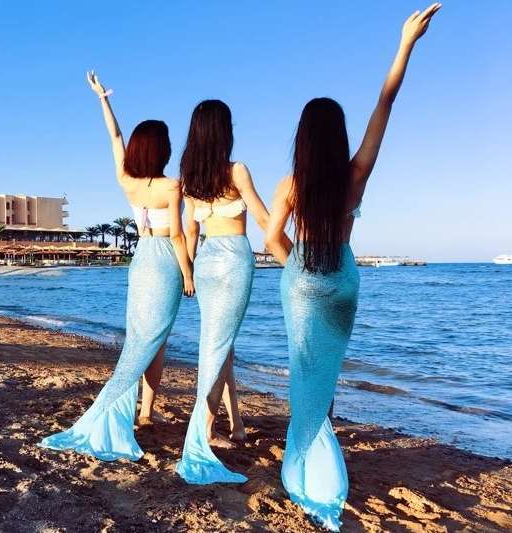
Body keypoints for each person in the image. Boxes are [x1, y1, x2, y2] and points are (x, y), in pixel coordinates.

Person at [265, 5, 441, 529]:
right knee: (326, 372)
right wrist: (406, 44)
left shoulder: (289, 185)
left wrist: (299, 270)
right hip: (341, 279)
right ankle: (319, 451)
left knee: (304, 368)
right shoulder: (355, 175)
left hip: (302, 277)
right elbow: (385, 102)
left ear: (302, 139)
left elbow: (270, 239)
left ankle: (305, 461)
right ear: (339, 138)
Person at [40, 71, 194, 460]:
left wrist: (103, 100)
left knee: (142, 336)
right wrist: (189, 274)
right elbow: (178, 235)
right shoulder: (171, 186)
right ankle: (141, 410)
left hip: (141, 259)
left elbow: (115, 138)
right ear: (162, 150)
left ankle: (144, 412)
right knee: (156, 339)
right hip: (164, 259)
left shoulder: (127, 180)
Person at [176, 99, 290, 484]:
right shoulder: (236, 170)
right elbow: (260, 217)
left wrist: (188, 272)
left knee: (219, 343)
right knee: (219, 344)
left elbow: (191, 231)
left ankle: (236, 422)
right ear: (224, 131)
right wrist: (292, 253)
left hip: (206, 261)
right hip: (235, 260)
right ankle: (205, 431)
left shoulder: (190, 179)